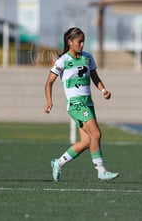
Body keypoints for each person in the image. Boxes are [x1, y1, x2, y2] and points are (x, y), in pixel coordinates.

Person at [44, 27, 119, 181]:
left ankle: (58, 163)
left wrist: (103, 90)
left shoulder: (88, 58)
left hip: (88, 103)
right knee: (97, 134)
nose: (82, 44)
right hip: (75, 104)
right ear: (69, 42)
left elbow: (95, 77)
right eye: (79, 41)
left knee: (87, 141)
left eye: (83, 41)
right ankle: (101, 171)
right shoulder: (63, 60)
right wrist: (49, 101)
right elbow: (49, 82)